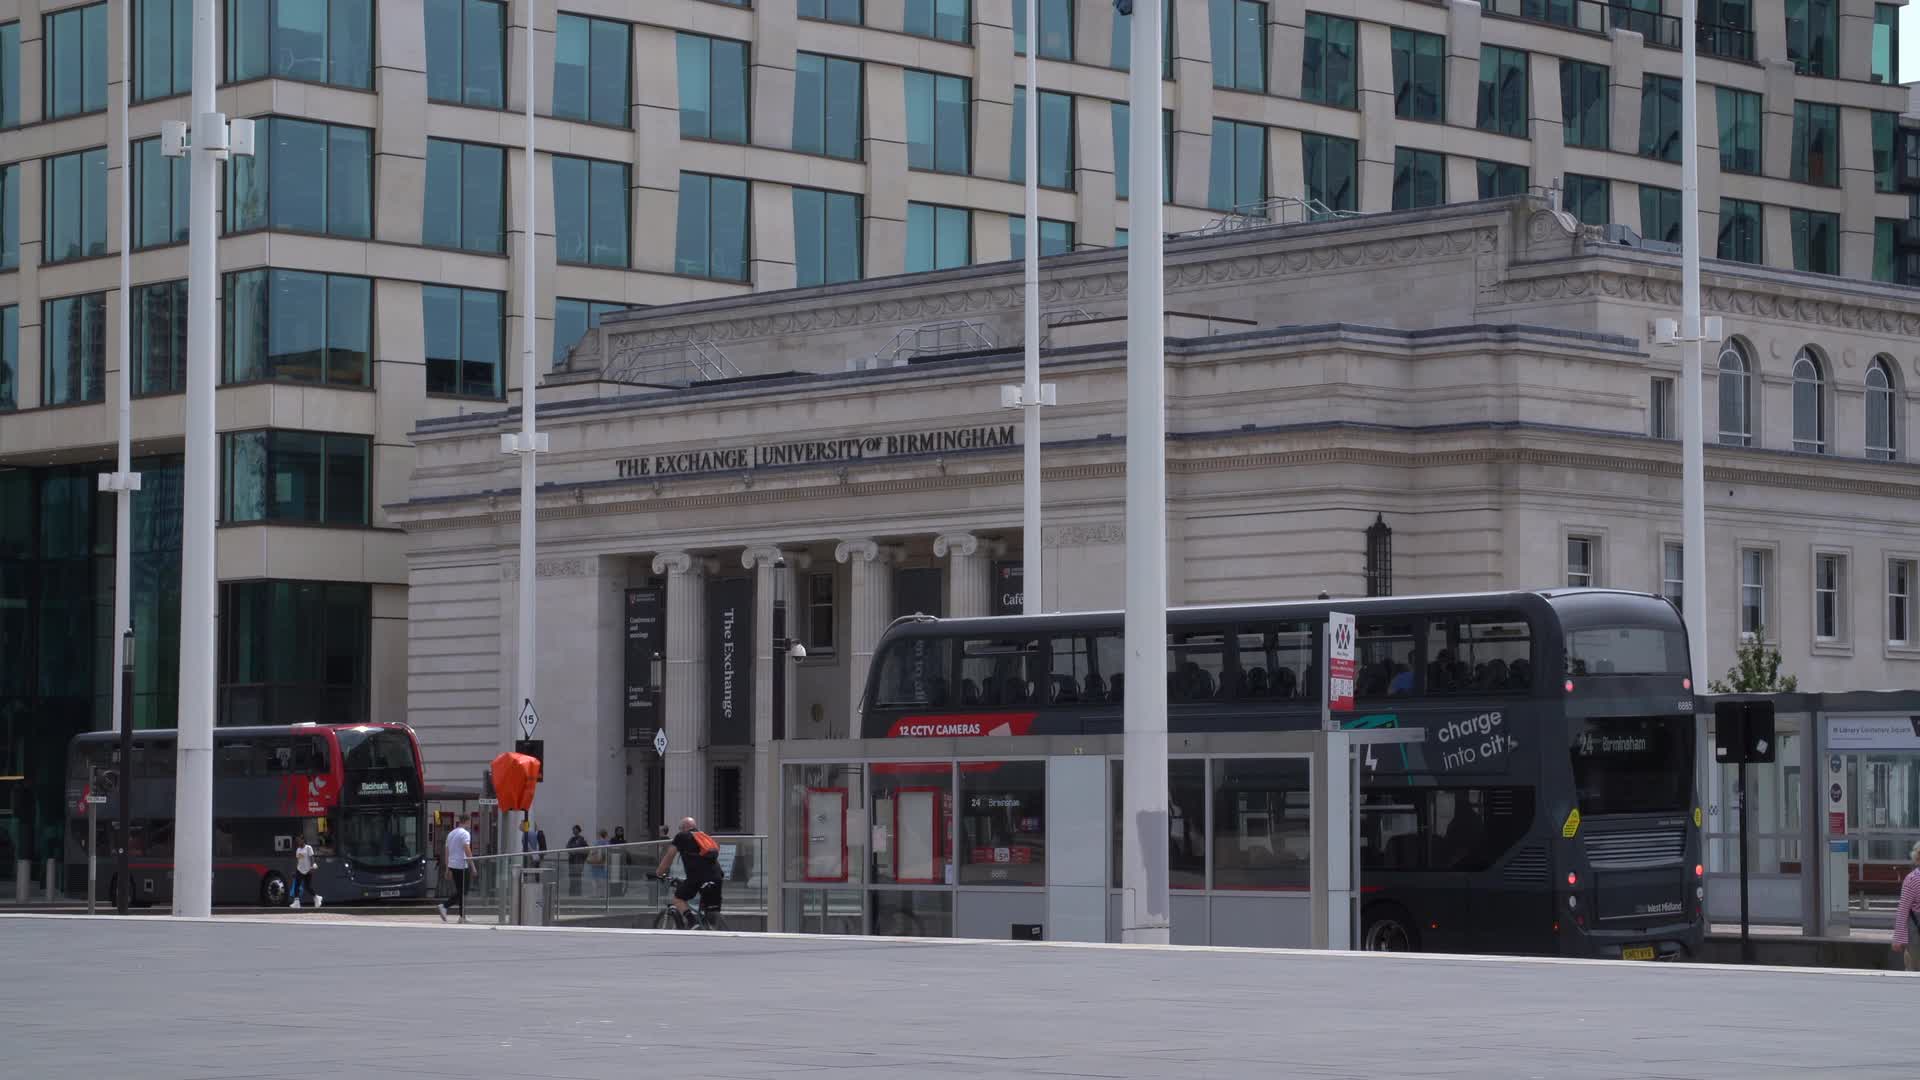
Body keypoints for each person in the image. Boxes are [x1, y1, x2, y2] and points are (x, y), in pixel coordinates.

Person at [654, 816, 723, 927]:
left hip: (697, 877)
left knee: (678, 898)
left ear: (683, 828)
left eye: (680, 829)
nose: (680, 831)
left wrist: (659, 872)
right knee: (711, 910)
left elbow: (669, 856)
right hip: (717, 877)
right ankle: (713, 928)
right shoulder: (705, 837)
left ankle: (692, 922)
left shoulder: (682, 836)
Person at [1893, 839, 1920, 972]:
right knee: (1914, 971)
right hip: (1916, 936)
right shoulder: (1912, 879)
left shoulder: (1912, 878)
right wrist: (1898, 939)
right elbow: (1903, 909)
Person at [439, 818, 473, 924]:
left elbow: (447, 851)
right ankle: (445, 905)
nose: (469, 824)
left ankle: (462, 916)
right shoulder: (465, 833)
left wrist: (447, 868)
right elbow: (467, 849)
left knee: (460, 891)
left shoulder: (451, 834)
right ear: (466, 821)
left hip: (453, 865)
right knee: (464, 891)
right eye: (469, 822)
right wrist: (473, 865)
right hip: (462, 865)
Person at [289, 837, 322, 909]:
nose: (298, 842)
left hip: (308, 870)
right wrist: (295, 871)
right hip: (299, 870)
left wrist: (312, 867)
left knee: (307, 887)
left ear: (303, 840)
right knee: (296, 886)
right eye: (297, 841)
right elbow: (298, 861)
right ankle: (296, 903)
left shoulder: (308, 848)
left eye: (299, 840)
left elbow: (312, 858)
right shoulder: (298, 850)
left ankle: (317, 898)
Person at [565, 825, 589, 897]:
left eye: (575, 829)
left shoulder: (582, 839)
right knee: (572, 878)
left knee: (578, 878)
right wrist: (571, 851)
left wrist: (581, 857)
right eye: (573, 830)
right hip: (572, 861)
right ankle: (572, 893)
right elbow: (568, 847)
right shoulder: (571, 839)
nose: (574, 831)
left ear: (578, 830)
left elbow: (587, 850)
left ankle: (578, 893)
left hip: (578, 862)